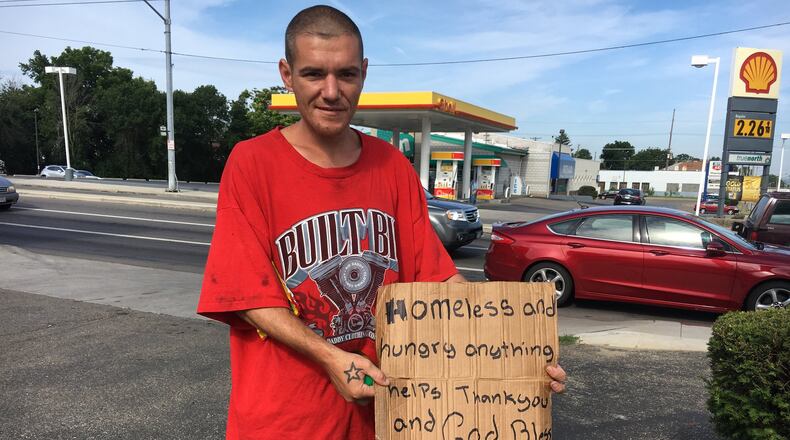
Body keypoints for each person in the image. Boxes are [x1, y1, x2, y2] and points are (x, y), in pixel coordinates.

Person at [197, 5, 566, 439]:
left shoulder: (392, 167)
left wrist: (517, 355)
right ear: (286, 73)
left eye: (347, 74)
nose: (331, 91)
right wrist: (329, 357)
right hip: (284, 420)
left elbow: (440, 284)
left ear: (364, 73)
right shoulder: (252, 163)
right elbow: (247, 296)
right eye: (314, 73)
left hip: (388, 416)